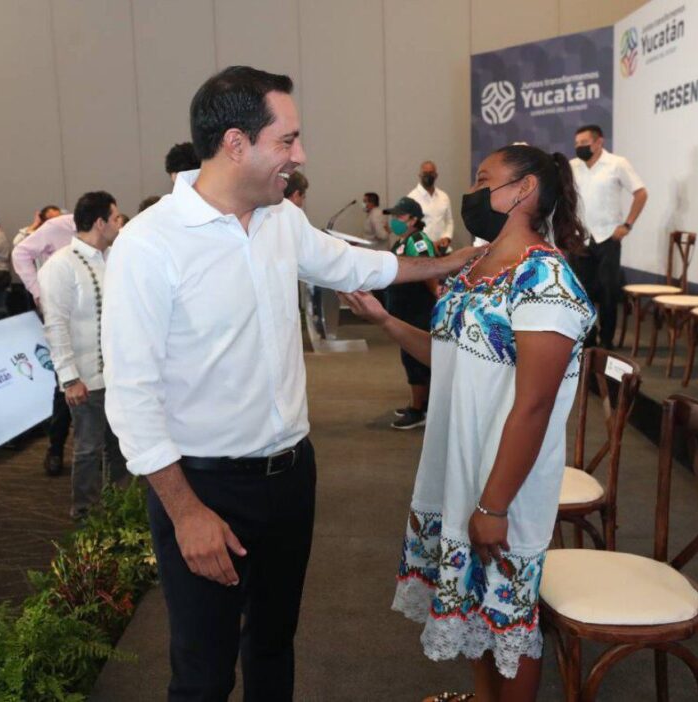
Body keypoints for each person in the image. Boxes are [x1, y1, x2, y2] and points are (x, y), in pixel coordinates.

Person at [102, 65, 475, 702]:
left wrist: (452, 262)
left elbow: (353, 264)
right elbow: (132, 395)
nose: (299, 156)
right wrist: (186, 513)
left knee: (274, 646)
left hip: (291, 477)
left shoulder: (280, 220)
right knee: (203, 674)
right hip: (205, 488)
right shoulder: (150, 244)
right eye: (288, 140)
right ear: (236, 144)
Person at [342, 144, 595, 702]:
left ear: (523, 189)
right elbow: (449, 356)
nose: (472, 192)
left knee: (508, 618)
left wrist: (494, 506)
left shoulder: (546, 280)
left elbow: (535, 405)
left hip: (505, 478)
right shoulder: (474, 268)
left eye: (485, 180)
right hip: (460, 465)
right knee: (476, 614)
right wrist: (385, 321)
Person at [38, 192, 127, 519]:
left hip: (119, 376)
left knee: (121, 446)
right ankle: (85, 513)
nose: (120, 224)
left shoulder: (116, 257)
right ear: (100, 223)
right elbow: (55, 326)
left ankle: (120, 509)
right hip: (86, 378)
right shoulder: (61, 265)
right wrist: (69, 378)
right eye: (115, 218)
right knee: (89, 448)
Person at [570, 124, 648, 349]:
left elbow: (641, 193)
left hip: (608, 238)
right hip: (580, 238)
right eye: (576, 144)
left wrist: (627, 225)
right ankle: (588, 338)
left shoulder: (617, 164)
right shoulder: (572, 166)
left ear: (598, 142)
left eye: (584, 143)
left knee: (608, 292)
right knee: (580, 293)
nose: (579, 147)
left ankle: (606, 341)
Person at [11, 212, 77, 476]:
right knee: (65, 386)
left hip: (97, 322)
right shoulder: (58, 227)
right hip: (62, 316)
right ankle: (56, 448)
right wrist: (38, 292)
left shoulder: (112, 238)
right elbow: (20, 253)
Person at [382, 196, 438, 430]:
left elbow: (428, 270)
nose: (395, 220)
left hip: (418, 310)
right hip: (404, 310)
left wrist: (437, 294)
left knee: (415, 359)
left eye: (400, 216)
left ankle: (418, 410)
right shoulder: (402, 241)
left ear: (414, 220)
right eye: (393, 216)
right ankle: (421, 403)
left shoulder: (418, 240)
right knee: (410, 357)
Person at [409, 160, 454, 252]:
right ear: (419, 175)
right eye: (425, 173)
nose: (428, 176)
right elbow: (409, 228)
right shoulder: (411, 198)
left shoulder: (444, 196)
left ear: (436, 175)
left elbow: (449, 221)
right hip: (421, 251)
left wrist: (447, 237)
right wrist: (429, 244)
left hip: (443, 249)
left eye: (431, 173)